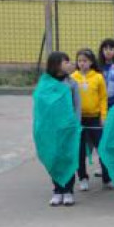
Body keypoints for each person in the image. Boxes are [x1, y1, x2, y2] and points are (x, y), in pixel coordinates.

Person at [71, 48, 110, 191]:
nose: (82, 63)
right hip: (79, 120)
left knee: (102, 148)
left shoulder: (98, 77)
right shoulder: (73, 77)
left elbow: (103, 98)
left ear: (91, 62)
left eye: (85, 61)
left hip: (95, 119)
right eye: (79, 61)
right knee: (79, 150)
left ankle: (107, 178)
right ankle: (82, 177)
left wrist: (103, 116)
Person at [44, 52, 80, 207]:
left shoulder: (72, 83)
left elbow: (77, 106)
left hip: (68, 127)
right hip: (52, 128)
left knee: (68, 158)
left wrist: (76, 124)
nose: (69, 64)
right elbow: (41, 106)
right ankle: (57, 190)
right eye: (66, 62)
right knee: (54, 159)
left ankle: (68, 191)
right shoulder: (46, 84)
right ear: (56, 64)